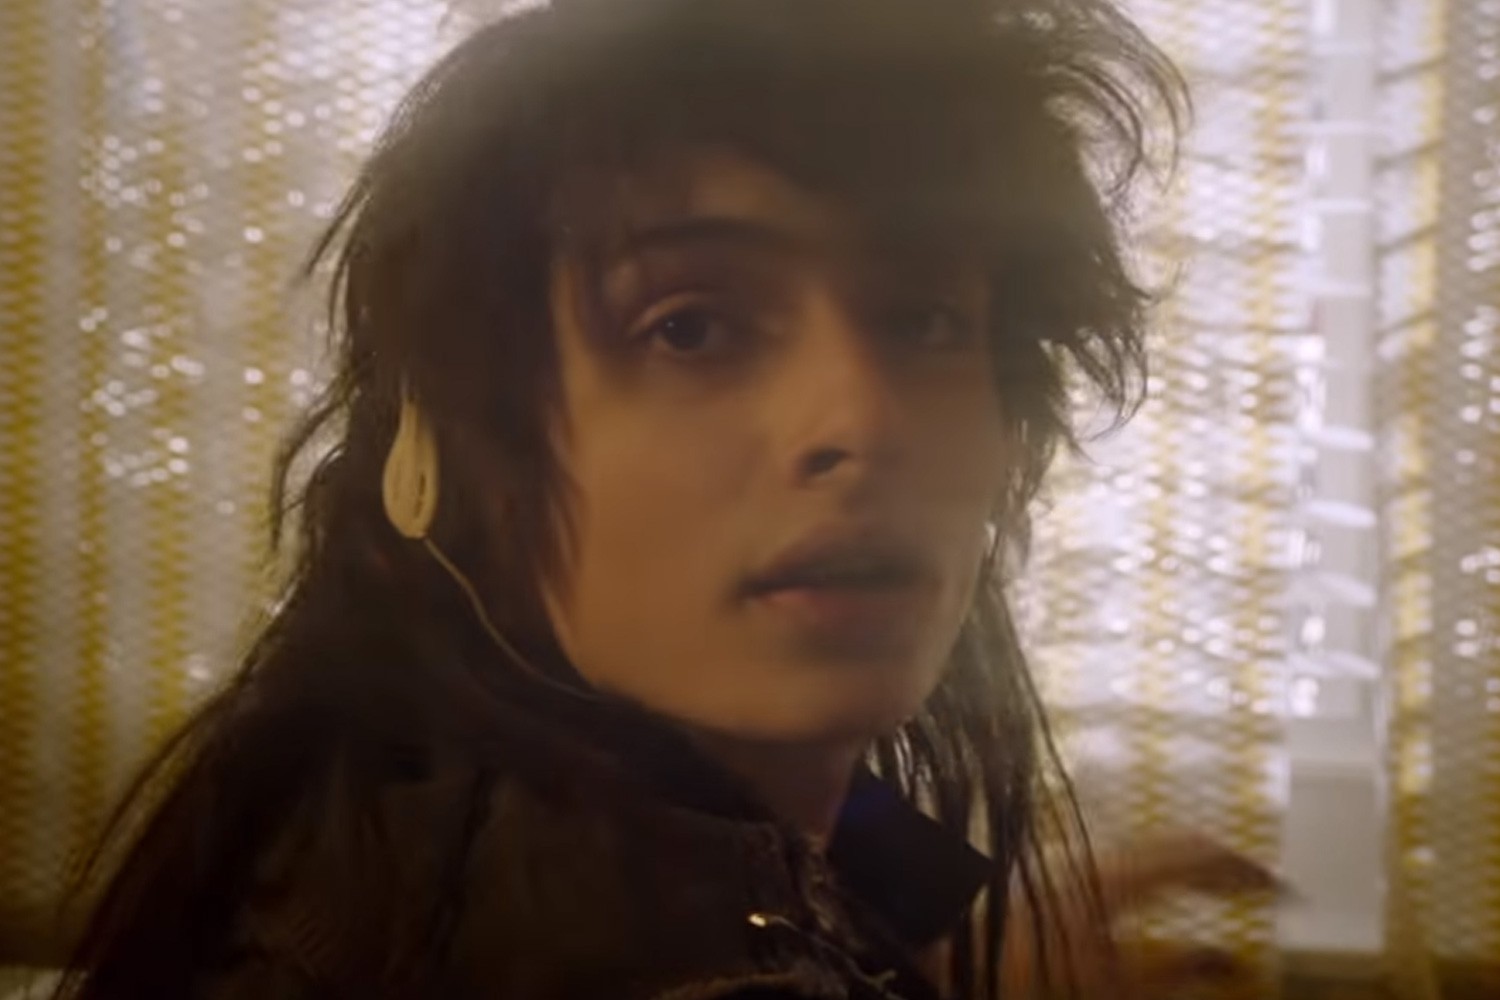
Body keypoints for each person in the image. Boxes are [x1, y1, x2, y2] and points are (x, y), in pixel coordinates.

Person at [54, 1, 1269, 997]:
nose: (862, 421)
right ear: (453, 451)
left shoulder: (429, 778)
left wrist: (956, 942)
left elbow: (812, 835)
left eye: (926, 320)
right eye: (691, 326)